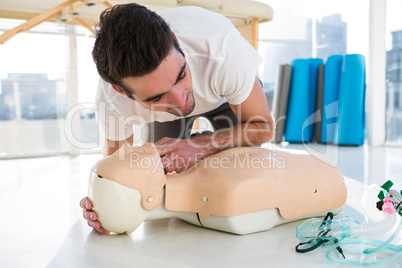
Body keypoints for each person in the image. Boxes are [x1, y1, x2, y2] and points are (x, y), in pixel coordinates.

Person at [80, 3, 274, 233]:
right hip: (165, 117)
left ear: (176, 40)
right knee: (159, 173)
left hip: (225, 97)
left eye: (181, 75)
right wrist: (105, 205)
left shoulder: (220, 48)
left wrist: (199, 146)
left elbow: (263, 127)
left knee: (243, 171)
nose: (181, 101)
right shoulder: (112, 102)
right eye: (157, 97)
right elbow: (117, 174)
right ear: (121, 91)